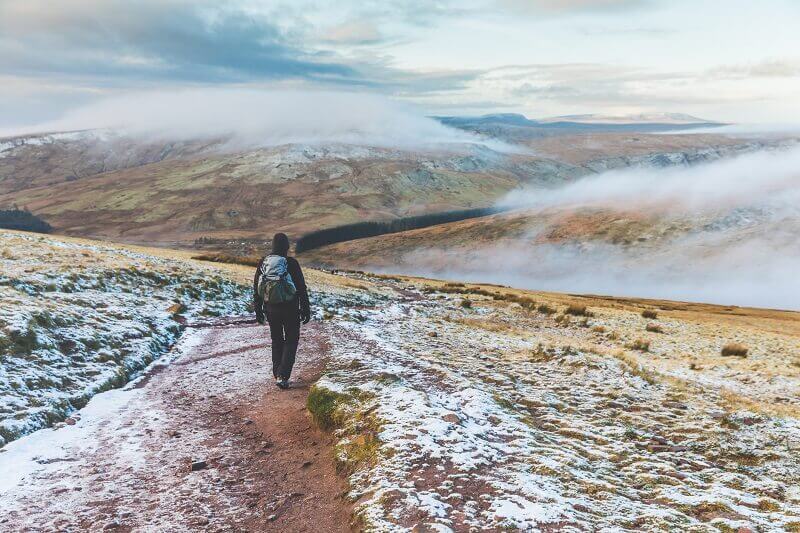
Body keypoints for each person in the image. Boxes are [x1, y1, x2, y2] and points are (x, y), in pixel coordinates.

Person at [253, 233, 311, 389]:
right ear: (286, 247)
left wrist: (258, 310)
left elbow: (257, 288)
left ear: (273, 246)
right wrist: (306, 309)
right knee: (291, 340)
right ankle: (283, 375)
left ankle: (277, 372)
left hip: (271, 309)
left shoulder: (263, 263)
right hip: (291, 309)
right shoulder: (291, 263)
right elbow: (301, 288)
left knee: (277, 340)